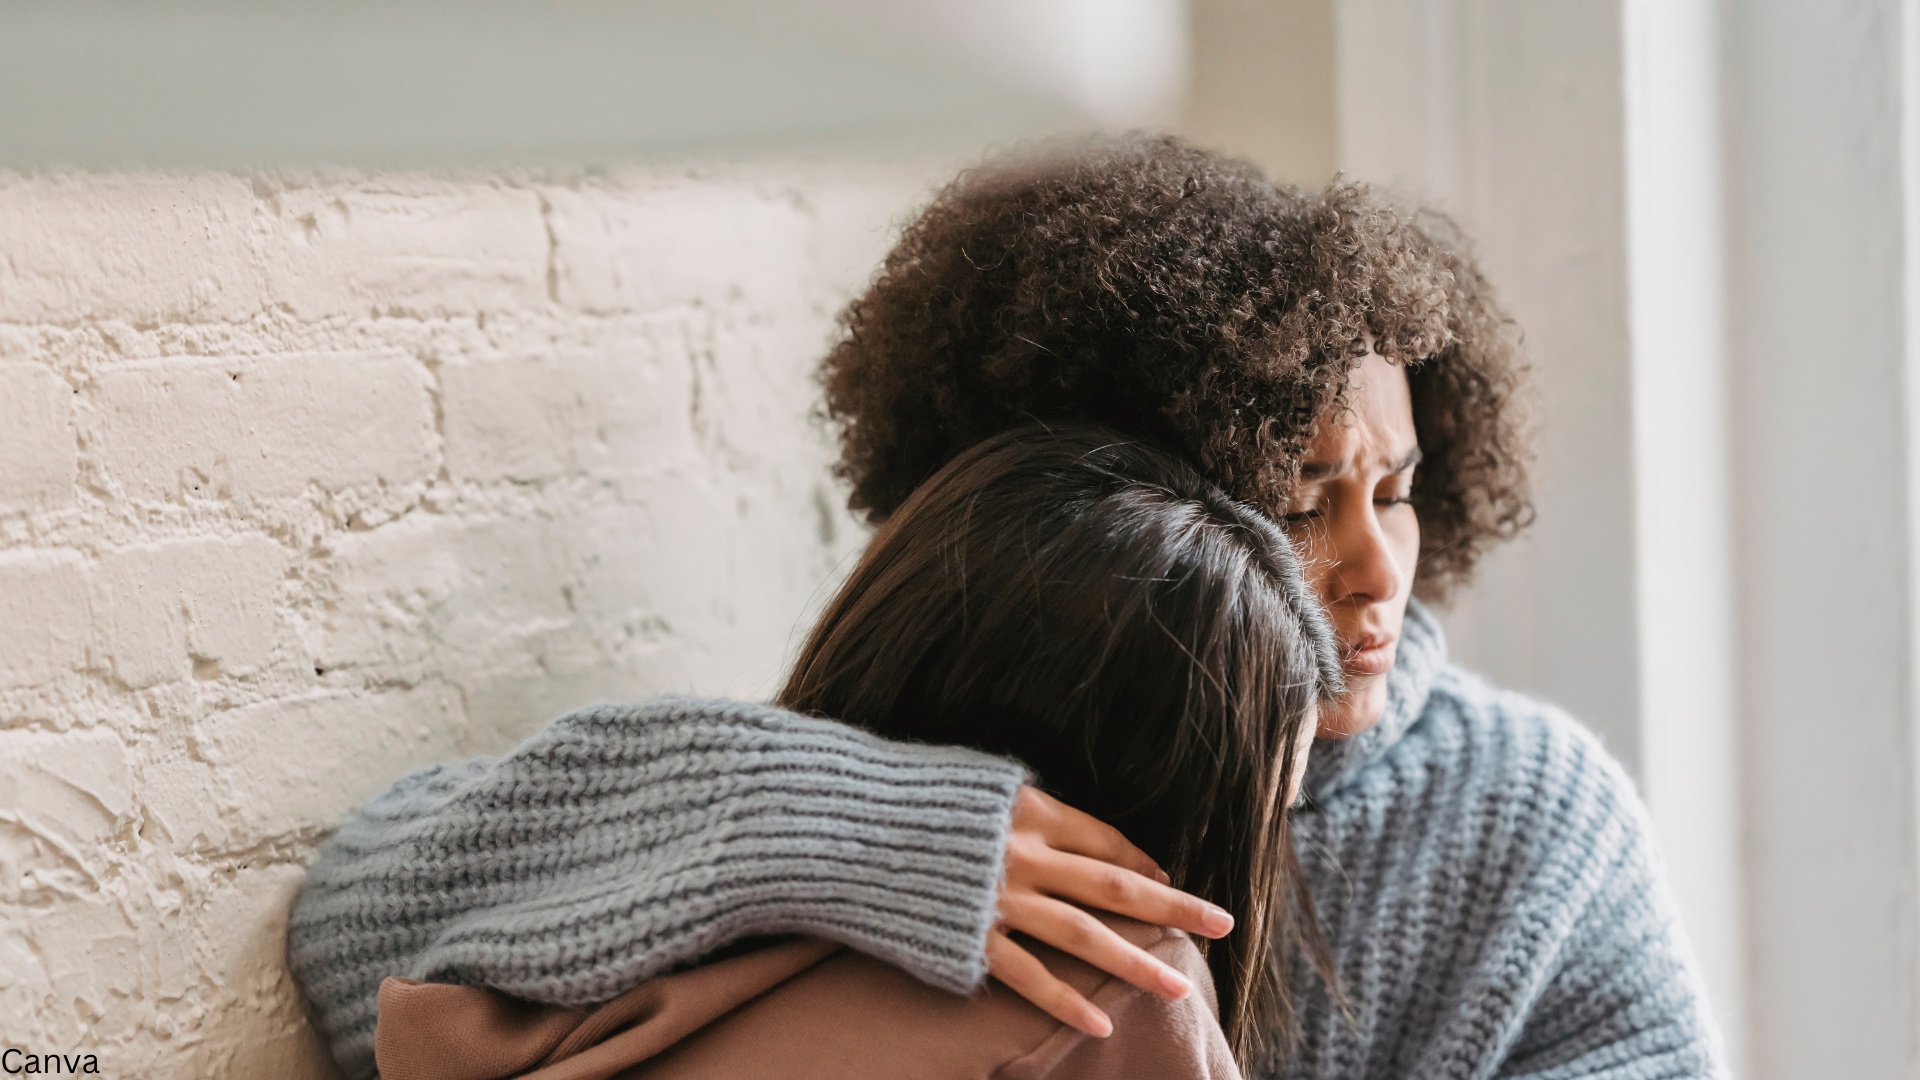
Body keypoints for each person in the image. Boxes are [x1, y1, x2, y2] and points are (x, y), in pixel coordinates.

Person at [291, 134, 1727, 1078]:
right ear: (1125, 496)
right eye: (1297, 499)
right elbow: (352, 942)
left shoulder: (1532, 819)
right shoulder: (930, 747)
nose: (1374, 568)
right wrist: (862, 829)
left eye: (1398, 491)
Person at [353, 424, 1341, 1079]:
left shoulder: (641, 960)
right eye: (1267, 806)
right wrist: (898, 828)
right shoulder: (1124, 992)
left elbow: (352, 929)